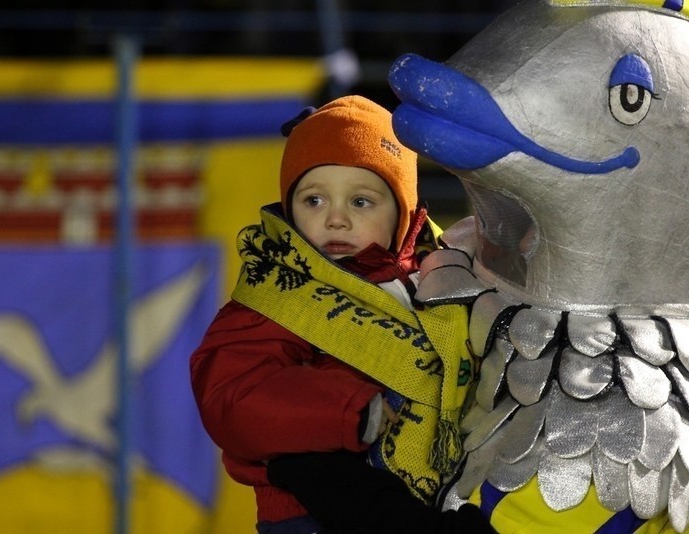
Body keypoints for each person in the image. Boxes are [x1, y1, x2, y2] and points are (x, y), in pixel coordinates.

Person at [190, 95, 495, 534]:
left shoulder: (447, 278)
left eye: (361, 202)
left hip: (431, 500)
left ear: (404, 212)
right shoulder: (272, 293)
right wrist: (347, 410)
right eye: (314, 200)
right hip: (307, 516)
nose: (335, 220)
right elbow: (231, 395)